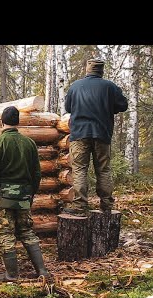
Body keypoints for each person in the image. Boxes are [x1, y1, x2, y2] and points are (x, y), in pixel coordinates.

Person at [0, 106, 49, 282]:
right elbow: (37, 173)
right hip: (24, 197)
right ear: (17, 122)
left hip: (4, 198)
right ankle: (42, 271)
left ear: (2, 121)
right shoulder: (30, 143)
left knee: (6, 234)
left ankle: (11, 274)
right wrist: (31, 193)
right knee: (27, 232)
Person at [63, 59, 128, 216]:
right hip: (102, 134)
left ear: (87, 70)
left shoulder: (75, 86)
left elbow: (67, 107)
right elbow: (123, 105)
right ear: (101, 71)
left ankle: (79, 206)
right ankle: (106, 205)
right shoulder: (110, 87)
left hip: (79, 134)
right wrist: (107, 107)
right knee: (103, 170)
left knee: (79, 169)